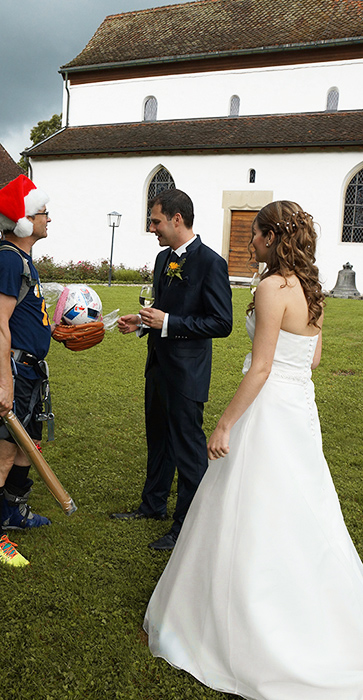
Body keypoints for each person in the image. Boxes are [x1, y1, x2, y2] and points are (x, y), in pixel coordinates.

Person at [144, 201, 363, 698]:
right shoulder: (311, 289)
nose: (251, 243)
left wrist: (224, 423)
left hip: (268, 408)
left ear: (271, 237)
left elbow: (261, 368)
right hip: (299, 410)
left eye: (257, 234)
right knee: (300, 505)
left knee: (251, 504)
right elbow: (312, 359)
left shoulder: (270, 287)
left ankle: (242, 619)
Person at [111, 189, 232, 550]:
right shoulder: (164, 259)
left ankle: (188, 525)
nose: (152, 228)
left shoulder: (211, 263)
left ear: (177, 219)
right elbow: (163, 310)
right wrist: (144, 322)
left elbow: (220, 322)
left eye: (156, 221)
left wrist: (169, 322)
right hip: (158, 365)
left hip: (187, 371)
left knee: (188, 448)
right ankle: (153, 506)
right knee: (158, 439)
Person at [0, 174, 53, 567]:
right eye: (43, 213)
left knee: (28, 448)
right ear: (23, 221)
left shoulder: (22, 260)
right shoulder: (8, 260)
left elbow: (22, 318)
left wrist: (56, 330)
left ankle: (14, 512)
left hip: (29, 373)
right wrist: (4, 381)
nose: (48, 219)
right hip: (13, 375)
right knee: (1, 457)